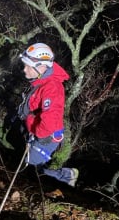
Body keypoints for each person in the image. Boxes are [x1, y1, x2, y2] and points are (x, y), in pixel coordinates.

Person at [17, 43, 79, 187]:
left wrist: (35, 133)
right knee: (30, 163)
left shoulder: (52, 88)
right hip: (36, 129)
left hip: (46, 136)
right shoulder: (41, 81)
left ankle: (65, 178)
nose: (24, 69)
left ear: (41, 67)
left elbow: (49, 122)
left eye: (28, 66)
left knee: (33, 168)